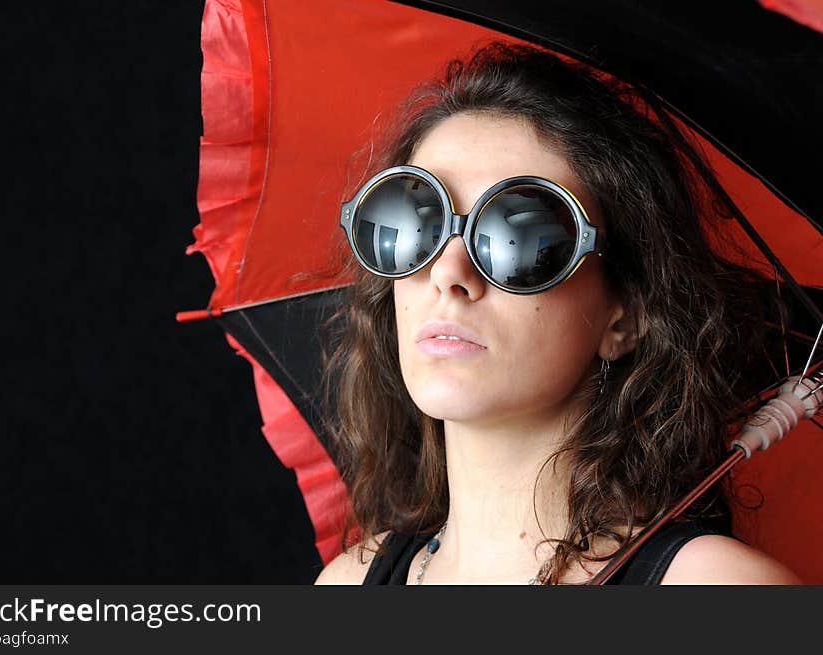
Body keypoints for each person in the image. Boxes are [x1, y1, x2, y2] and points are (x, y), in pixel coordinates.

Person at [314, 41, 801, 585]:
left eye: (522, 236)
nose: (448, 273)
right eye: (412, 220)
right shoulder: (347, 585)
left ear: (626, 316)